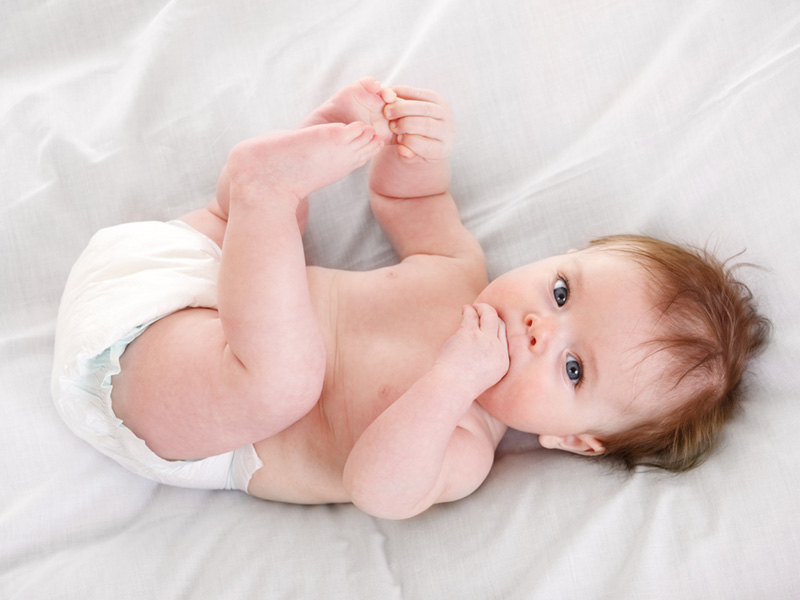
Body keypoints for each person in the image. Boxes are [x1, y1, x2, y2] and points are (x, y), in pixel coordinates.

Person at [52, 78, 769, 520]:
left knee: (282, 380)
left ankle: (264, 193)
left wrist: (453, 380)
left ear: (575, 441)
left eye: (573, 368)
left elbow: (376, 487)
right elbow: (411, 200)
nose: (538, 327)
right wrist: (414, 147)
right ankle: (310, 149)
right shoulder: (458, 268)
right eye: (560, 292)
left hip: (163, 403)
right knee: (267, 255)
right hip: (177, 270)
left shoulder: (463, 447)